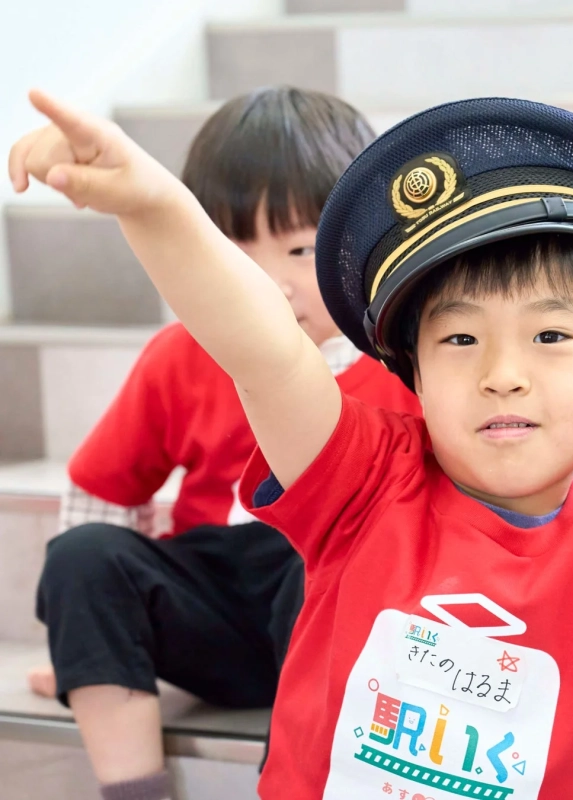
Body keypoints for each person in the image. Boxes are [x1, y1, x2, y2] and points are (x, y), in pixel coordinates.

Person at [10, 92, 573, 800]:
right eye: (459, 337)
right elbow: (265, 349)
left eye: (550, 334)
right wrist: (154, 205)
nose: (502, 374)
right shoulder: (366, 481)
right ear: (413, 373)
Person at [24, 87, 420, 800]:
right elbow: (103, 491)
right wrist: (97, 644)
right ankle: (135, 791)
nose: (269, 284)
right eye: (232, 253)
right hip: (213, 606)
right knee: (82, 557)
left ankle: (296, 779)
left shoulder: (407, 361)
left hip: (341, 625)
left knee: (335, 554)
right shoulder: (181, 355)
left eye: (301, 249)